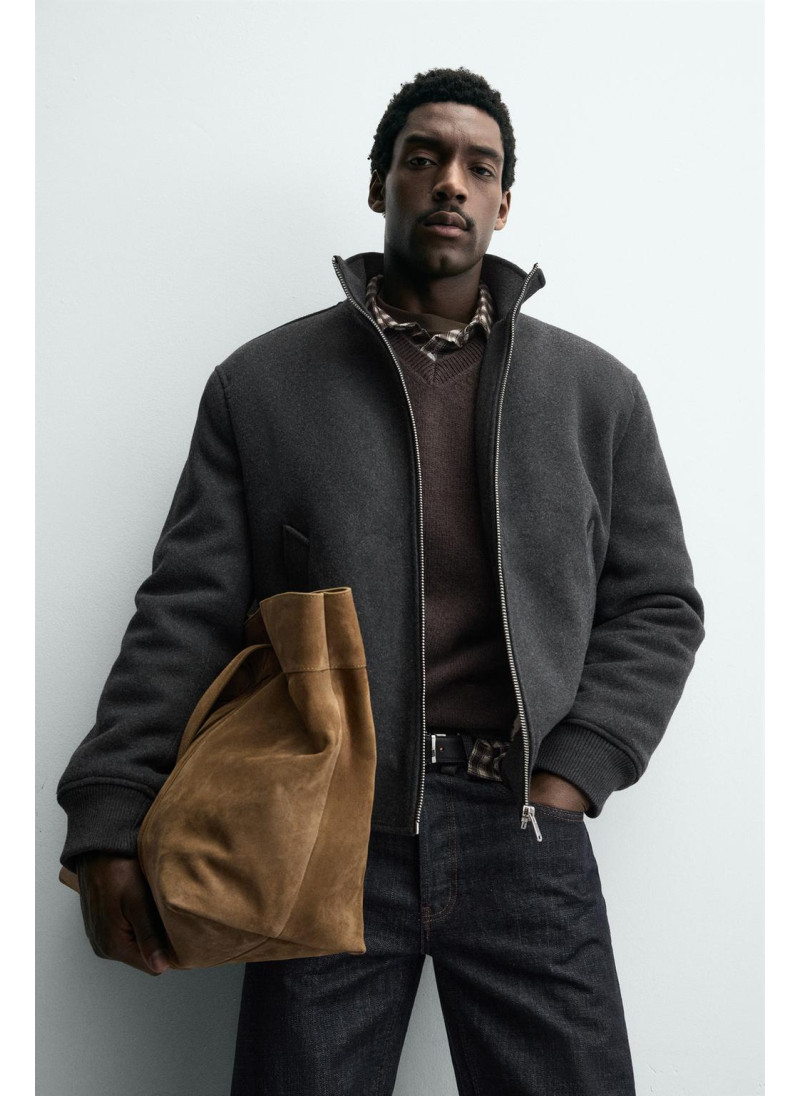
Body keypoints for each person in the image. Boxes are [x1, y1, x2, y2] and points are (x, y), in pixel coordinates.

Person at [57, 67, 705, 1094]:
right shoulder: (262, 386)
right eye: (423, 158)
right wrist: (108, 809)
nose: (450, 181)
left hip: (522, 826)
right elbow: (185, 612)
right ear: (378, 186)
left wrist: (574, 770)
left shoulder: (595, 393)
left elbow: (657, 604)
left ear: (502, 204)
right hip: (326, 829)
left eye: (479, 167)